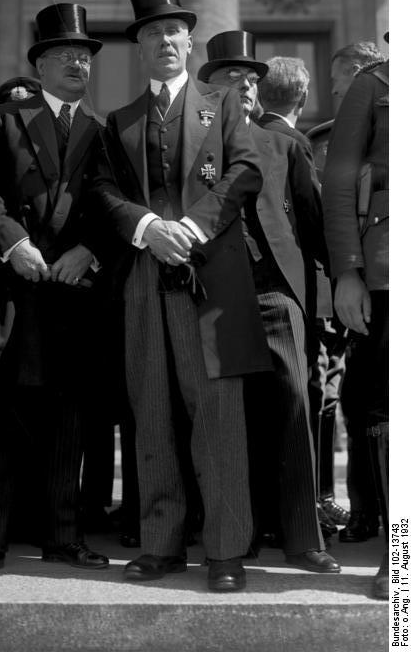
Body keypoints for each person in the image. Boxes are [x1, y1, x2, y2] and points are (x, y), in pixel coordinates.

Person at [92, 0, 271, 593]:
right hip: (145, 278)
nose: (165, 40)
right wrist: (145, 225)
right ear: (139, 46)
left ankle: (225, 551)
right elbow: (103, 192)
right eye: (152, 32)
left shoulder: (220, 103)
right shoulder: (119, 119)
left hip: (211, 280)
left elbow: (246, 169)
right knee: (153, 410)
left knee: (217, 416)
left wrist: (191, 227)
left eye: (174, 29)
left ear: (189, 41)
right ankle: (161, 545)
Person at [0, 3, 108, 577]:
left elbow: (115, 203)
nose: (78, 63)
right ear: (41, 64)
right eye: (66, 55)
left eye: (85, 56)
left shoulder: (104, 131)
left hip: (73, 294)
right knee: (0, 418)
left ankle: (63, 538)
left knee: (68, 422)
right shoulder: (1, 119)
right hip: (10, 289)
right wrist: (14, 242)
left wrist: (89, 251)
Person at [198, 34, 340, 573]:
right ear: (211, 89)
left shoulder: (284, 144)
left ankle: (304, 539)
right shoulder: (194, 144)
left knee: (293, 409)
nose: (249, 86)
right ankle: (243, 533)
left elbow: (312, 221)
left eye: (255, 79)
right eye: (236, 77)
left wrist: (341, 286)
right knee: (231, 418)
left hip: (278, 290)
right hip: (215, 292)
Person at [322, 48, 389, 600]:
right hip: (390, 264)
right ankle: (403, 554)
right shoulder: (376, 83)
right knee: (390, 412)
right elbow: (340, 183)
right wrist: (348, 272)